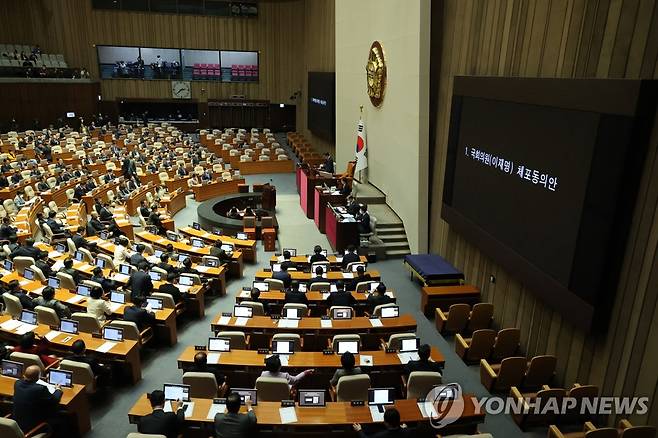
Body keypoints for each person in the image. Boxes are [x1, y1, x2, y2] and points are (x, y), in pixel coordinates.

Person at [13, 365, 64, 436]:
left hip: (17, 423)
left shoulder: (17, 383)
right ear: (38, 377)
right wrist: (58, 390)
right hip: (33, 427)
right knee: (61, 415)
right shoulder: (40, 389)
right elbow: (55, 400)